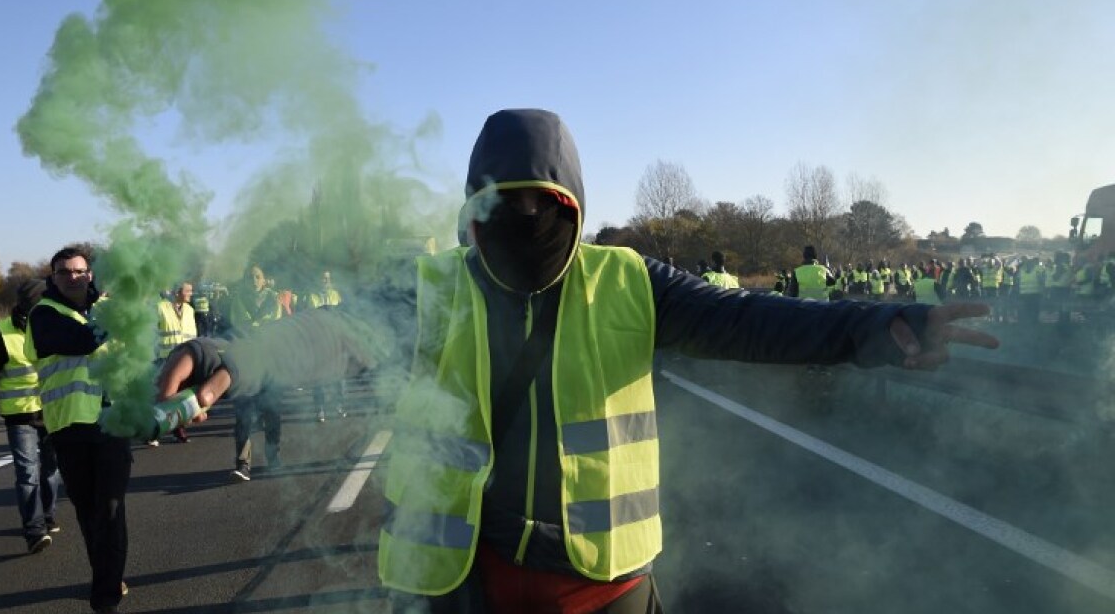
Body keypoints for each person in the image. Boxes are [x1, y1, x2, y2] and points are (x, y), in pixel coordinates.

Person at [157, 108, 998, 613]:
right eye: (502, 206)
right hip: (462, 581)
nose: (524, 224)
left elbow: (751, 322)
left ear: (576, 207)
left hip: (603, 588)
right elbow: (334, 331)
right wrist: (232, 351)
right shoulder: (434, 286)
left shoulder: (630, 281)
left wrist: (877, 327)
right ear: (471, 212)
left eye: (543, 206)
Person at [25, 246, 130, 614]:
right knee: (89, 511)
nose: (74, 277)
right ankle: (106, 574)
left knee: (112, 509)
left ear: (90, 274)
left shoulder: (106, 308)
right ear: (52, 277)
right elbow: (83, 341)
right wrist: (117, 313)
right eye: (65, 271)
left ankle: (105, 598)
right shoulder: (44, 315)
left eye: (80, 271)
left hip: (113, 423)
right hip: (70, 427)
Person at [0, 278, 61, 554]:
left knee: (52, 469)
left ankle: (48, 515)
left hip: (54, 413)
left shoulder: (57, 327)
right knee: (27, 472)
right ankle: (34, 531)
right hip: (20, 417)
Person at [226, 264, 283, 482]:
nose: (254, 280)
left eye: (257, 276)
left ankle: (273, 459)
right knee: (243, 416)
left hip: (269, 364)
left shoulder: (273, 300)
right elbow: (238, 325)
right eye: (250, 277)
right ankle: (243, 464)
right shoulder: (237, 300)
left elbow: (272, 325)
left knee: (272, 414)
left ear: (264, 279)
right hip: (246, 364)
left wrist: (254, 326)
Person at [153, 282, 198, 444]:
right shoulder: (160, 307)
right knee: (160, 395)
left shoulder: (190, 310)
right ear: (178, 292)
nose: (191, 293)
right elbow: (152, 333)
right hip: (163, 358)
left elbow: (193, 335)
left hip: (183, 360)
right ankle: (153, 431)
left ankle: (178, 428)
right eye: (188, 290)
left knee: (179, 396)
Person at [300, 269, 344, 422]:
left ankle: (339, 405)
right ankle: (320, 409)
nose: (325, 281)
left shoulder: (336, 295)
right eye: (322, 278)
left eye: (327, 278)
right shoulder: (310, 296)